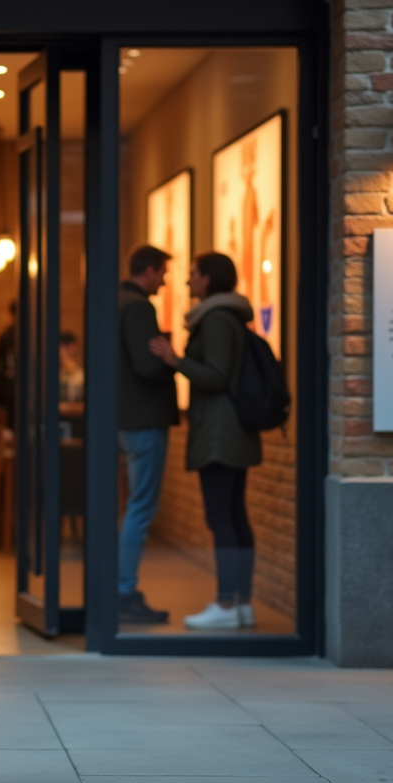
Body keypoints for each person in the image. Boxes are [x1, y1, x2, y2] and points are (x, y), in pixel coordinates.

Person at [149, 251, 262, 630]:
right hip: (232, 433)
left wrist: (175, 360)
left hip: (219, 434)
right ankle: (241, 603)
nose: (187, 281)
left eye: (193, 274)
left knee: (221, 518)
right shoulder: (230, 317)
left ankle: (226, 603)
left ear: (208, 279)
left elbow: (215, 375)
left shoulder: (215, 321)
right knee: (235, 515)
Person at [116, 245, 178, 625]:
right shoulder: (138, 307)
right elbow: (147, 364)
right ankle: (125, 591)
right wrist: (171, 359)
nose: (165, 281)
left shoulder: (114, 301)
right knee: (141, 508)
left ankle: (121, 587)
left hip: (123, 420)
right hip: (144, 420)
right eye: (163, 273)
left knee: (133, 508)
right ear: (150, 271)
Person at [0, 299, 17, 427]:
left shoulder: (6, 335)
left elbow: (0, 362)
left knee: (9, 425)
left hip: (8, 387)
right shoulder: (33, 334)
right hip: (24, 388)